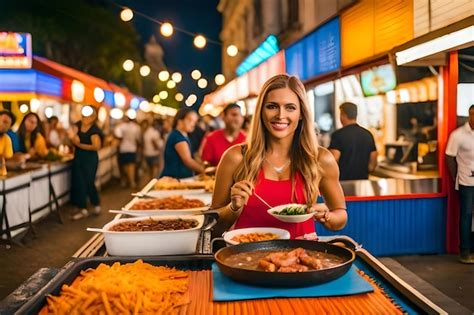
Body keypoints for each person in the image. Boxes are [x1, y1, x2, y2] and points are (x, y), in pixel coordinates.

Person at [211, 74, 347, 239]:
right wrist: (233, 208)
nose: (280, 115)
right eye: (272, 106)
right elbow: (213, 225)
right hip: (246, 259)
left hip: (302, 258)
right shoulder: (236, 157)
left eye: (290, 107)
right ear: (261, 111)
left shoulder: (320, 158)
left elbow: (340, 217)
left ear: (301, 113)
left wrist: (326, 216)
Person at [445, 104, 474, 264]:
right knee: (466, 215)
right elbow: (449, 157)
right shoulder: (458, 135)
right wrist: (456, 176)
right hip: (466, 182)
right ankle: (465, 251)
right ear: (469, 115)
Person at [69, 106, 104, 220]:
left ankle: (95, 203)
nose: (86, 118)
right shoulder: (77, 125)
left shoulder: (94, 129)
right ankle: (82, 207)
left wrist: (79, 145)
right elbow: (71, 135)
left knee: (89, 181)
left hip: (90, 158)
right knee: (79, 182)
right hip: (78, 157)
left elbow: (96, 146)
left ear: (93, 116)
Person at [329, 102, 377, 180]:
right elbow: (373, 164)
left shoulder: (338, 135)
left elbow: (333, 159)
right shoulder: (368, 135)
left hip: (343, 183)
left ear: (343, 115)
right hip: (363, 182)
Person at [161, 108, 205, 179]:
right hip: (174, 179)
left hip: (179, 178)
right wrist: (204, 170)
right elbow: (188, 160)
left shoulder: (183, 135)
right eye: (190, 120)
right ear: (180, 120)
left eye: (194, 121)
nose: (193, 124)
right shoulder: (177, 137)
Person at [114, 117, 141, 189]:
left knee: (125, 166)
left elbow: (118, 137)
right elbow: (138, 138)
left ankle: (129, 180)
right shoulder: (136, 127)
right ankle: (132, 181)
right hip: (132, 148)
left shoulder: (120, 127)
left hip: (123, 149)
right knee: (131, 165)